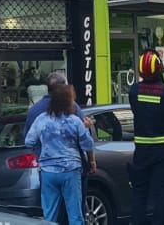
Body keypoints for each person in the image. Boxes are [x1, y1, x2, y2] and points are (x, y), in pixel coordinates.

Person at [25, 83, 95, 225]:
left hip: (47, 171)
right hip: (71, 170)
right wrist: (91, 160)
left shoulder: (41, 119)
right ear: (68, 101)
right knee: (75, 214)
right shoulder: (75, 121)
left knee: (49, 215)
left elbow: (29, 142)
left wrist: (40, 156)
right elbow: (87, 144)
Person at [127, 49, 164, 225]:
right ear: (159, 69)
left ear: (141, 70)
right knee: (160, 196)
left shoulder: (134, 92)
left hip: (141, 153)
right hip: (162, 153)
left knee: (139, 195)